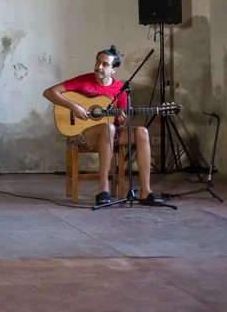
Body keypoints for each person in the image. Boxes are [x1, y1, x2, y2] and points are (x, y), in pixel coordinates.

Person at [43, 45, 162, 205]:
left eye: (105, 64)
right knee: (108, 127)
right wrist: (73, 106)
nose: (99, 67)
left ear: (114, 70)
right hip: (82, 135)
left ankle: (145, 191)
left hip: (111, 134)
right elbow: (49, 92)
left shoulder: (120, 89)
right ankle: (102, 188)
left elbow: (121, 120)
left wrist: (122, 119)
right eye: (98, 62)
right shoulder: (84, 81)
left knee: (142, 132)